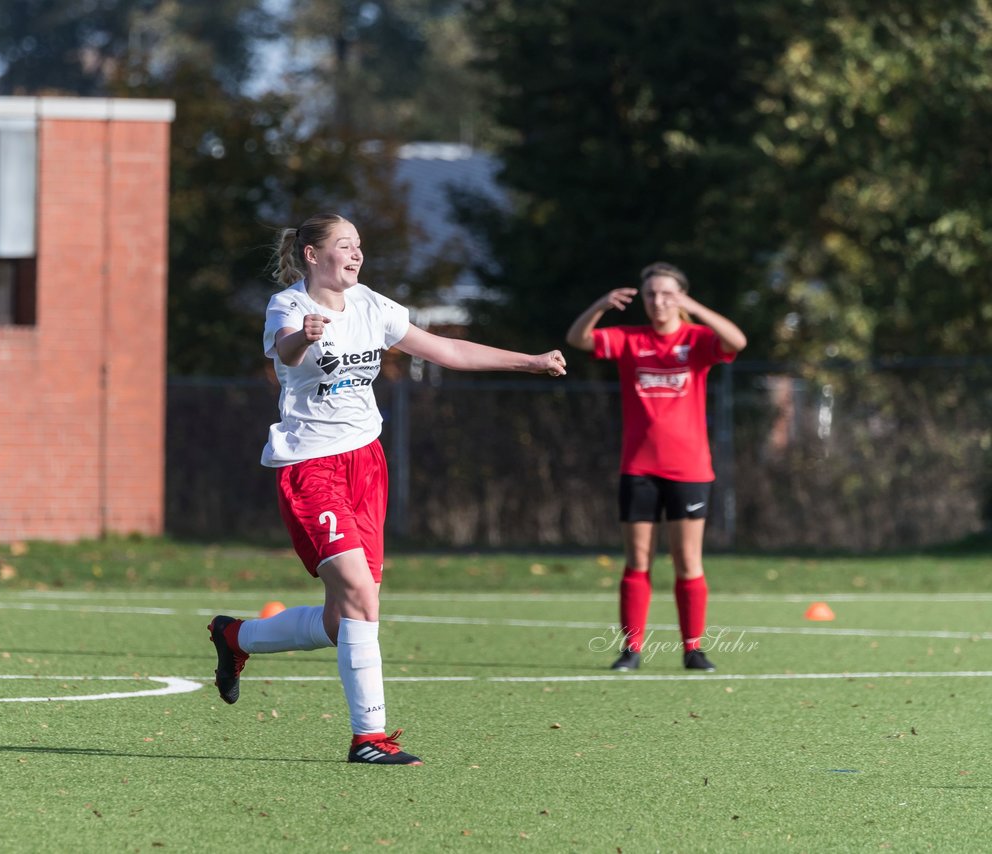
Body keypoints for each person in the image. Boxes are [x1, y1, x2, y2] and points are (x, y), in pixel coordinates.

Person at [208, 212, 567, 765]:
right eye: (344, 246)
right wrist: (302, 340)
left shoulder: (373, 306)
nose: (356, 255)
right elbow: (283, 350)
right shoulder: (290, 306)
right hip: (311, 467)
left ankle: (237, 638)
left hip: (367, 465)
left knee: (344, 617)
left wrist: (531, 361)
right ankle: (368, 738)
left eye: (359, 247)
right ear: (311, 254)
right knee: (359, 594)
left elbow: (447, 350)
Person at [565, 262, 746, 672]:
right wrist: (600, 305)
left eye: (667, 294)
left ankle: (693, 649)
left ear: (680, 296)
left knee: (688, 562)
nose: (658, 302)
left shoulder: (697, 340)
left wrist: (693, 307)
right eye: (651, 295)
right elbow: (577, 339)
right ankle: (631, 651)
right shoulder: (631, 339)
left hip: (691, 470)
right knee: (638, 560)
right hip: (639, 468)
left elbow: (738, 340)